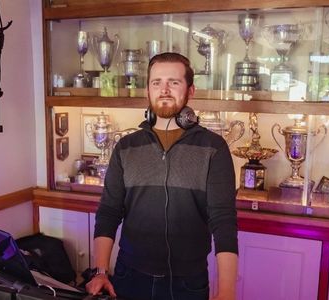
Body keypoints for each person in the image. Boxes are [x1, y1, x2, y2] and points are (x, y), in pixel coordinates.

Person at [86, 52, 238, 300]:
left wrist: (227, 292)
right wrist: (101, 271)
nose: (164, 89)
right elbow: (109, 212)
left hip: (187, 284)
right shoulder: (125, 147)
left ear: (190, 91)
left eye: (174, 82)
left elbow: (224, 221)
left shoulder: (214, 148)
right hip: (129, 278)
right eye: (156, 82)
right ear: (147, 90)